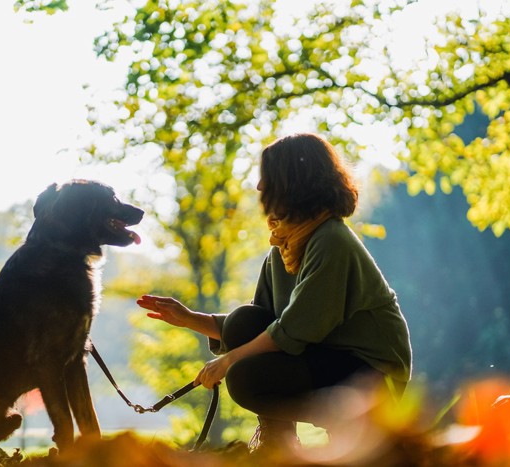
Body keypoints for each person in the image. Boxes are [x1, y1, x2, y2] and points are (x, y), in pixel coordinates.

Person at [137, 133, 412, 453]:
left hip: (372, 375)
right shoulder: (286, 246)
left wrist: (228, 362)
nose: (259, 188)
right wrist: (189, 319)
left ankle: (360, 425)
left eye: (268, 178)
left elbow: (296, 329)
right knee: (244, 321)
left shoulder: (331, 240)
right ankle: (277, 441)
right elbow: (258, 325)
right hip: (326, 356)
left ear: (295, 181)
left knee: (244, 378)